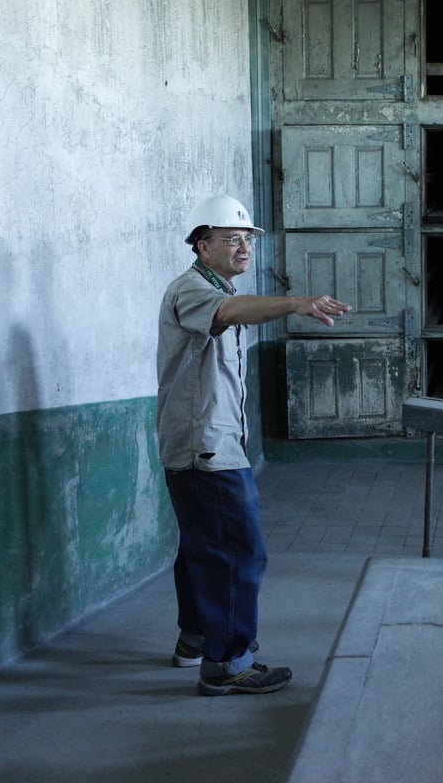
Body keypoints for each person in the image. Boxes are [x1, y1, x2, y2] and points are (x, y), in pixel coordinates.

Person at [156, 195, 350, 696]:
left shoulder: (211, 287)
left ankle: (196, 639)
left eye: (248, 240)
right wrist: (295, 302)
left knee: (201, 547)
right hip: (206, 449)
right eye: (231, 239)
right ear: (202, 245)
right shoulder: (193, 290)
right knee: (237, 552)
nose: (244, 247)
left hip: (204, 445)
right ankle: (229, 664)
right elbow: (231, 311)